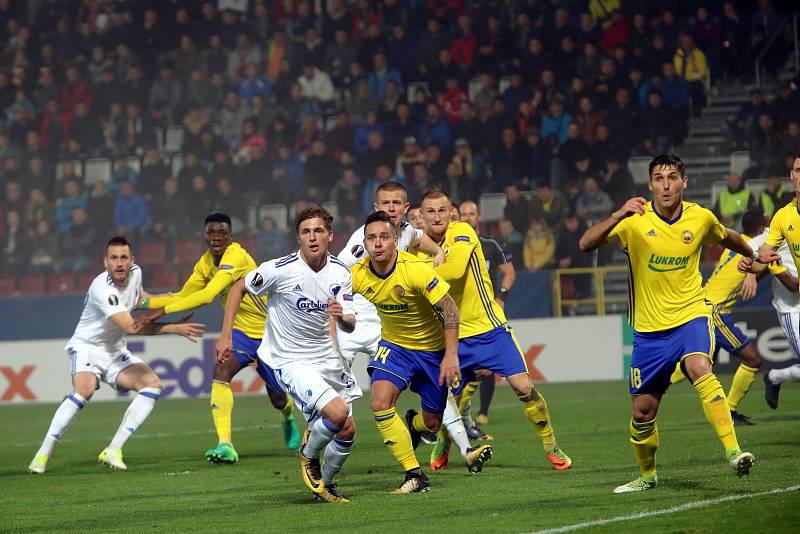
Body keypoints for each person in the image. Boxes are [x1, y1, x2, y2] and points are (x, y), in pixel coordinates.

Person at [580, 154, 778, 493]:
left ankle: (734, 451)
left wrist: (752, 254)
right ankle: (647, 476)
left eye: (672, 177)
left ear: (684, 181)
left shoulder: (699, 217)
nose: (666, 184)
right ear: (650, 185)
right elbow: (586, 243)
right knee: (642, 413)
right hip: (648, 331)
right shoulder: (633, 221)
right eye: (659, 178)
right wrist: (618, 213)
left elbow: (726, 235)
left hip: (691, 315)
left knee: (700, 366)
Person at [420, 189, 571, 473]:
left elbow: (453, 271)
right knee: (448, 400)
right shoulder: (418, 247)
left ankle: (551, 444)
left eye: (442, 210)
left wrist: (419, 274)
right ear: (422, 215)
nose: (437, 216)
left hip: (491, 329)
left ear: (451, 212)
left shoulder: (463, 231)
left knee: (523, 386)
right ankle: (444, 441)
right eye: (431, 211)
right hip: (454, 335)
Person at [216, 207, 360, 503]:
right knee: (338, 413)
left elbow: (350, 323)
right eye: (306, 232)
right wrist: (225, 335)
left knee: (347, 429)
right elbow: (237, 288)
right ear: (298, 237)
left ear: (330, 236)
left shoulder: (341, 274)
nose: (312, 237)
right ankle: (308, 454)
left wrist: (341, 316)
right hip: (290, 359)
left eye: (318, 231)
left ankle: (326, 487)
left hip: (326, 358)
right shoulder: (279, 269)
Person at [28, 237, 206, 474]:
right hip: (87, 346)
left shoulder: (136, 274)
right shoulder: (102, 289)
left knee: (153, 385)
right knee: (85, 390)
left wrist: (167, 298)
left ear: (132, 261)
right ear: (106, 262)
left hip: (114, 349)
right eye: (114, 258)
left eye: (124, 258)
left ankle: (113, 449)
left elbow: (139, 299)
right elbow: (132, 327)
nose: (119, 263)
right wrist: (172, 324)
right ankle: (42, 455)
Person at [138, 213, 299, 463]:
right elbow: (185, 294)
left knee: (278, 396)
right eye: (211, 233)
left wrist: (160, 310)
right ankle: (225, 444)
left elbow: (207, 296)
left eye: (221, 233)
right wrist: (147, 302)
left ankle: (288, 417)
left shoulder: (235, 256)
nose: (216, 238)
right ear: (204, 236)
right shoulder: (205, 263)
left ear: (230, 236)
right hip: (241, 334)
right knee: (220, 372)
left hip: (270, 332)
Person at [352, 211, 482, 494]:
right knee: (380, 402)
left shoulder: (415, 270)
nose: (378, 243)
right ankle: (414, 474)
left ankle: (414, 423)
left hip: (432, 353)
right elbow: (328, 289)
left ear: (395, 240)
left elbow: (449, 309)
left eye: (384, 237)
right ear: (364, 242)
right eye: (372, 238)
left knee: (433, 423)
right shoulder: (358, 274)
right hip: (394, 347)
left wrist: (450, 355)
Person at [335, 182, 445, 369]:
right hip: (355, 317)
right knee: (336, 381)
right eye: (386, 203)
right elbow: (337, 273)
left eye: (396, 202)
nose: (391, 208)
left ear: (406, 207)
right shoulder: (364, 242)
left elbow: (418, 237)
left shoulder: (405, 229)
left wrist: (438, 251)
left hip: (383, 323)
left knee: (385, 380)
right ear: (376, 208)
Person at [700, 210, 790, 425]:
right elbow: (756, 262)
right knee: (752, 359)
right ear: (761, 228)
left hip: (703, 304)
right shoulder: (754, 249)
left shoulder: (734, 246)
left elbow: (757, 268)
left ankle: (654, 380)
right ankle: (729, 412)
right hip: (716, 311)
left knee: (698, 362)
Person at [742, 155, 800, 407]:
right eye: (799, 170)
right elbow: (760, 253)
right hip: (792, 307)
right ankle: (774, 377)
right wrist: (750, 269)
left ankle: (775, 376)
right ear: (792, 175)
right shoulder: (782, 218)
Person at [458, 200, 516, 428]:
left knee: (487, 363)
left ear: (479, 217)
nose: (468, 217)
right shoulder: (452, 245)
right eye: (464, 213)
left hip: (487, 312)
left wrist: (501, 298)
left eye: (472, 213)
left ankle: (482, 411)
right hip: (462, 313)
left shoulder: (491, 245)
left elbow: (509, 273)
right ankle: (460, 414)